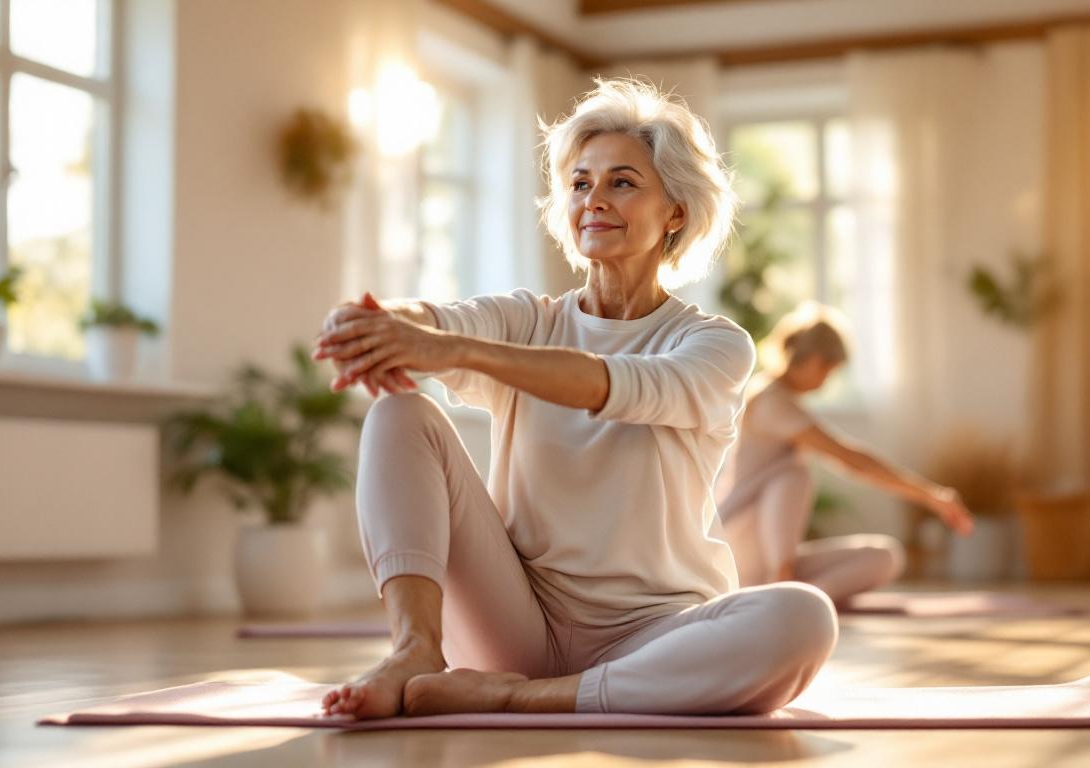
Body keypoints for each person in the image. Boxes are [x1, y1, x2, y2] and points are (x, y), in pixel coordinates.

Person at [312, 79, 837, 719]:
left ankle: (522, 696)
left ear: (675, 210)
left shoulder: (714, 345)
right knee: (400, 413)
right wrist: (367, 322)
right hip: (517, 617)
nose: (594, 200)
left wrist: (453, 351)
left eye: (622, 182)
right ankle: (415, 649)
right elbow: (428, 317)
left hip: (654, 632)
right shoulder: (527, 319)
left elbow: (614, 385)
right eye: (580, 183)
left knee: (803, 617)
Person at [716, 303, 974, 604]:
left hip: (757, 554)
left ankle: (787, 597)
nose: (827, 381)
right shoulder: (773, 402)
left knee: (885, 556)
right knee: (792, 475)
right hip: (742, 545)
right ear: (814, 361)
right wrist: (931, 495)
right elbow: (851, 459)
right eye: (829, 370)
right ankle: (780, 592)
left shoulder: (775, 397)